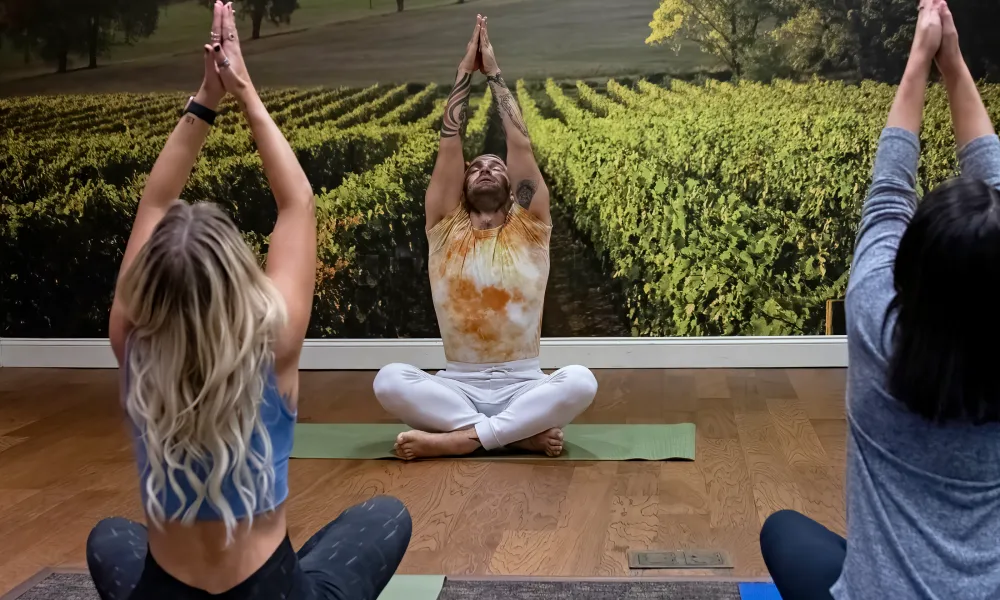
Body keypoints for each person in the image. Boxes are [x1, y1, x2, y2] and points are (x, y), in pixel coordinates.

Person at [85, 4, 411, 599]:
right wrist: (242, 91)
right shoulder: (274, 342)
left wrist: (204, 98)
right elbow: (298, 203)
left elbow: (153, 205)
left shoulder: (129, 342)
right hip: (272, 592)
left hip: (166, 593)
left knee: (109, 536)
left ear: (146, 287)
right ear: (239, 279)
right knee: (387, 516)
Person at [759, 1, 1000, 599]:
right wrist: (957, 63)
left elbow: (889, 191)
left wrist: (927, 58)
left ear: (910, 267)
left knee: (782, 530)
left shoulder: (874, 319)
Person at [373, 15, 598, 460]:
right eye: (476, 166)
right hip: (456, 384)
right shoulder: (445, 227)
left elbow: (521, 147)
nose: (486, 168)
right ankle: (514, 435)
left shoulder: (530, 225)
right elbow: (449, 146)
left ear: (514, 186)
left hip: (525, 382)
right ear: (461, 185)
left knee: (581, 381)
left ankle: (463, 439)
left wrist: (493, 73)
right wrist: (463, 74)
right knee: (388, 380)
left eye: (495, 165)